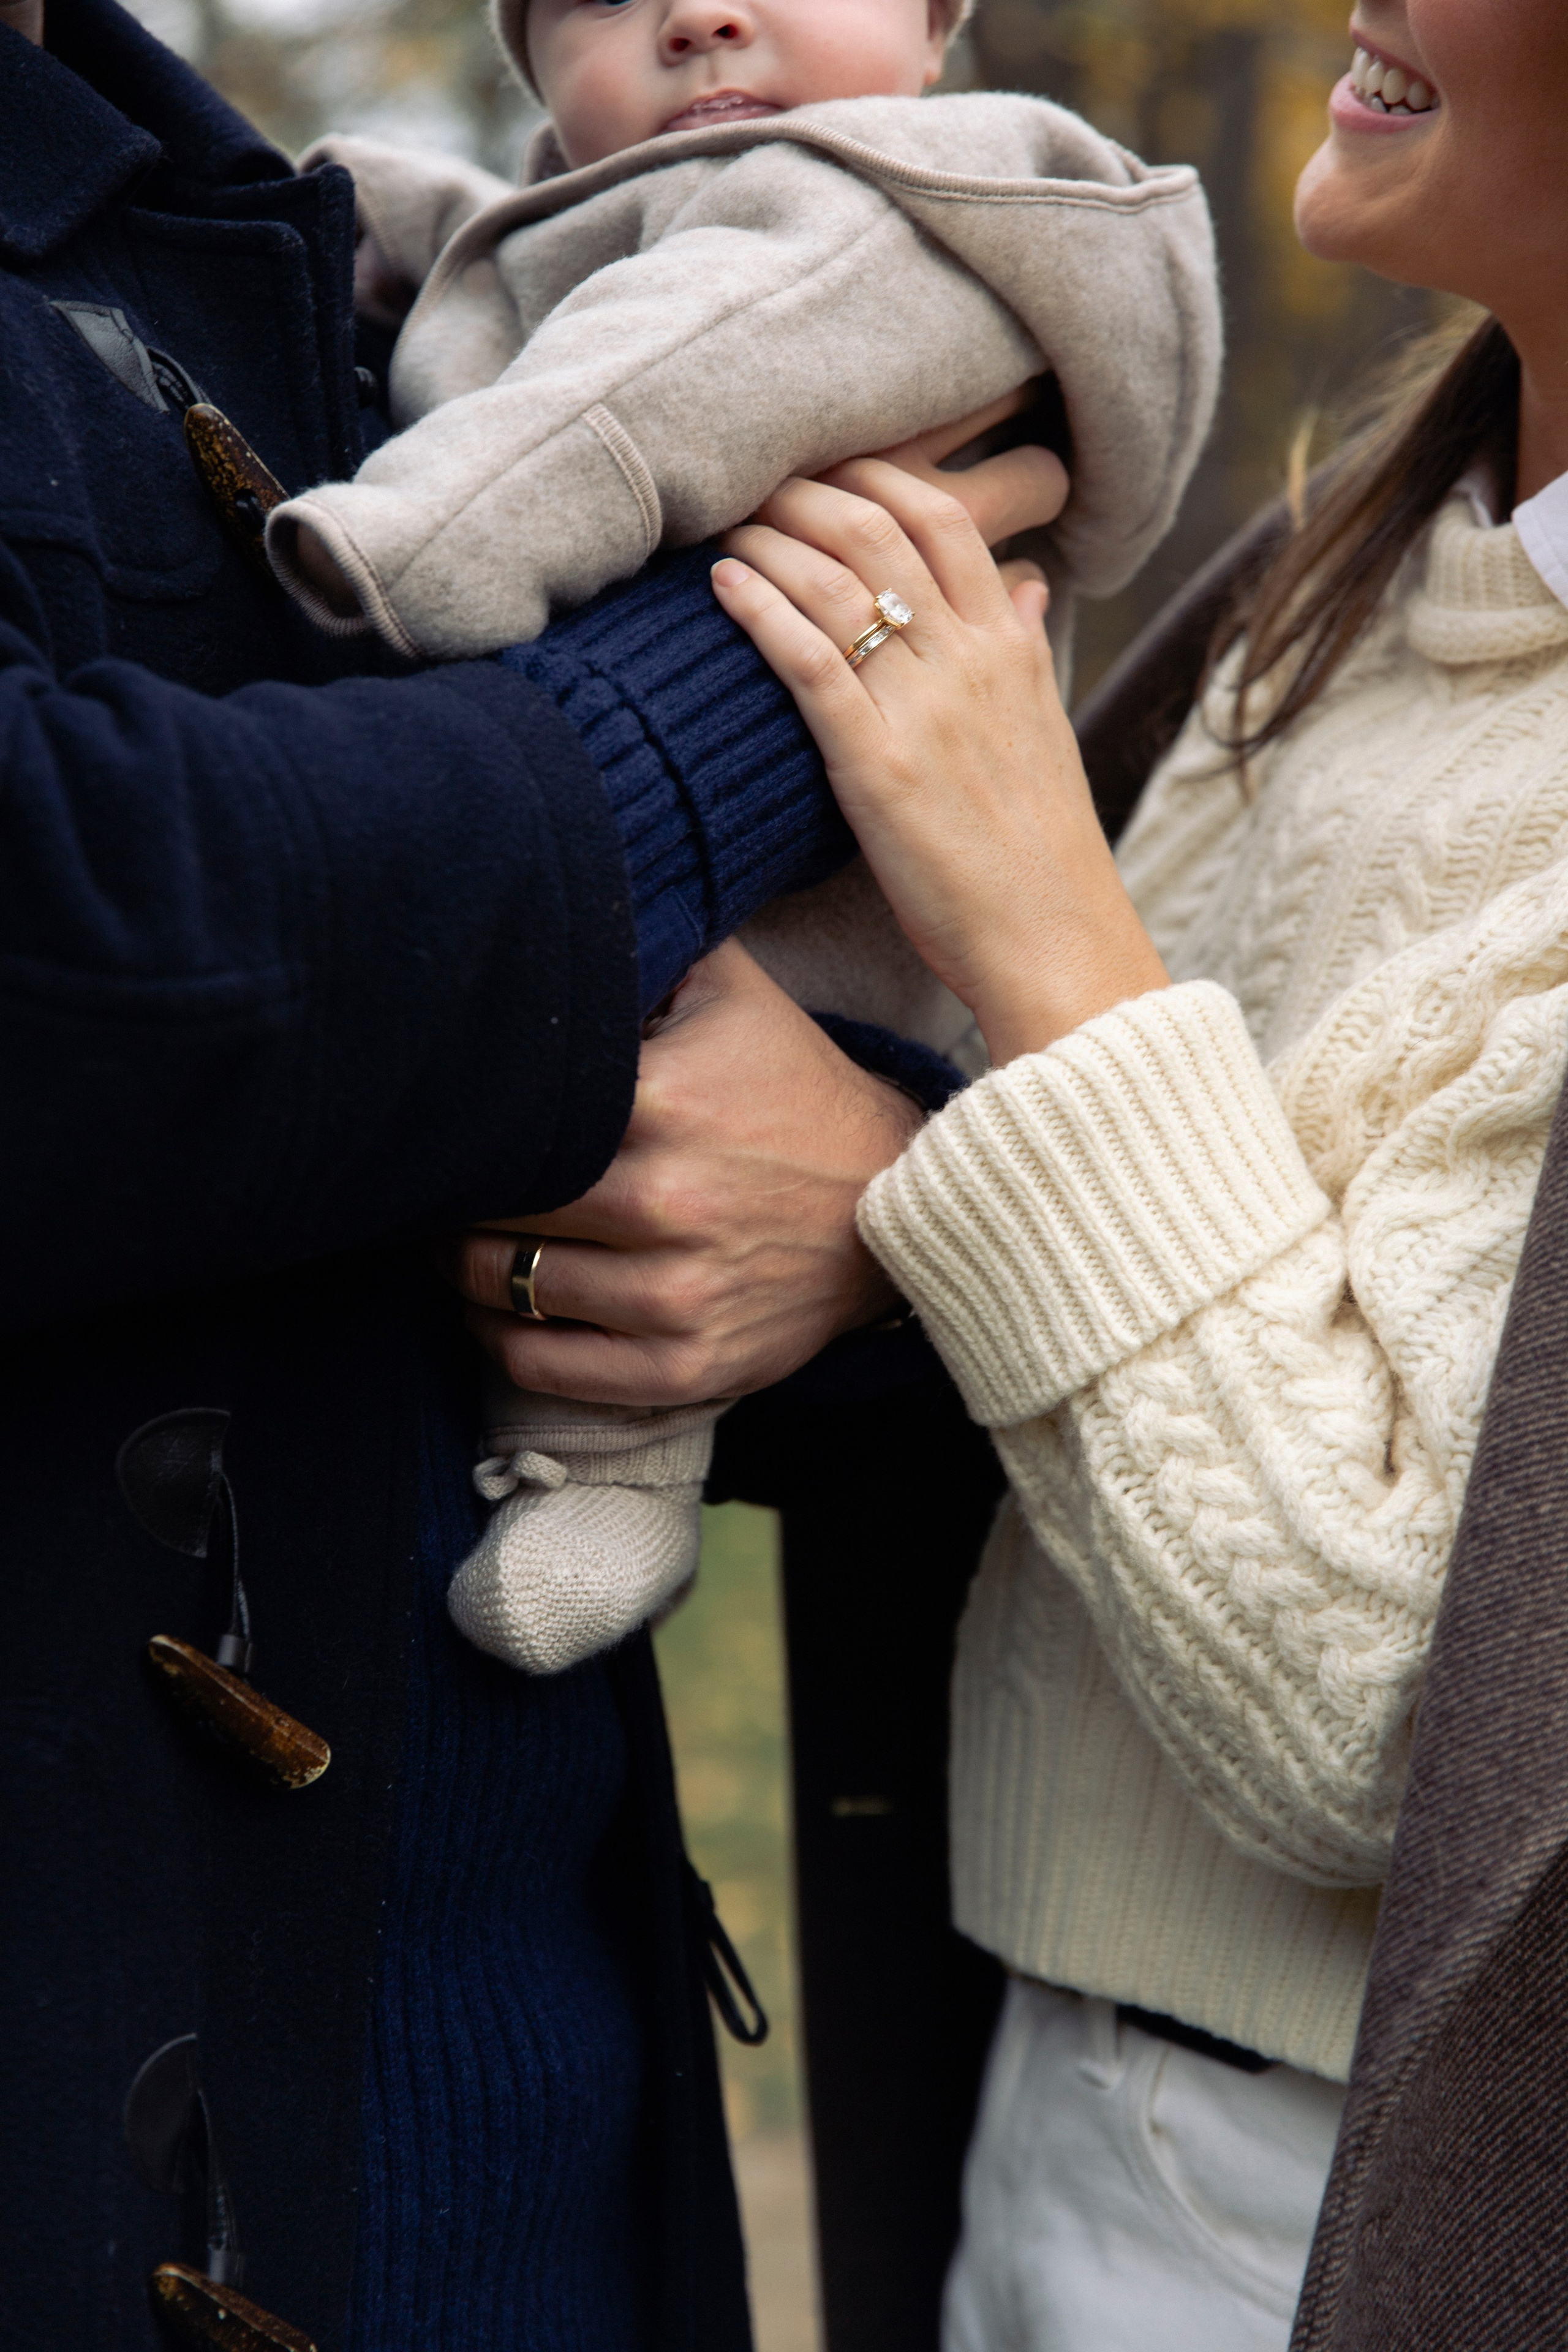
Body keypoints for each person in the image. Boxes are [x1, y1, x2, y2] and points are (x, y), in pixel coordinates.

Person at [453, 0, 1568, 2342]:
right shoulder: (1326, 589)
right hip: (1051, 2087)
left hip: (1359, 2211)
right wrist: (862, 1225)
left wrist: (1027, 909)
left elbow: (1397, 1715)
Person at [0, 1, 1062, 2343]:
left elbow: (396, 1126)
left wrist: (869, 1224)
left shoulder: (252, 252)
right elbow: (68, 941)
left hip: (531, 2151)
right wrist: (744, 701)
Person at [257, 0, 1218, 1684]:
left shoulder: (884, 213)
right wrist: (331, 217)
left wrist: (410, 546)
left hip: (808, 901)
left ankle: (614, 1465)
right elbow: (503, 276)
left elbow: (642, 402)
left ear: (935, 25)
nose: (698, 12)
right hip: (587, 860)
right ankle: (595, 1457)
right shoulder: (644, 213)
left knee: (671, 1115)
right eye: (605, 0)